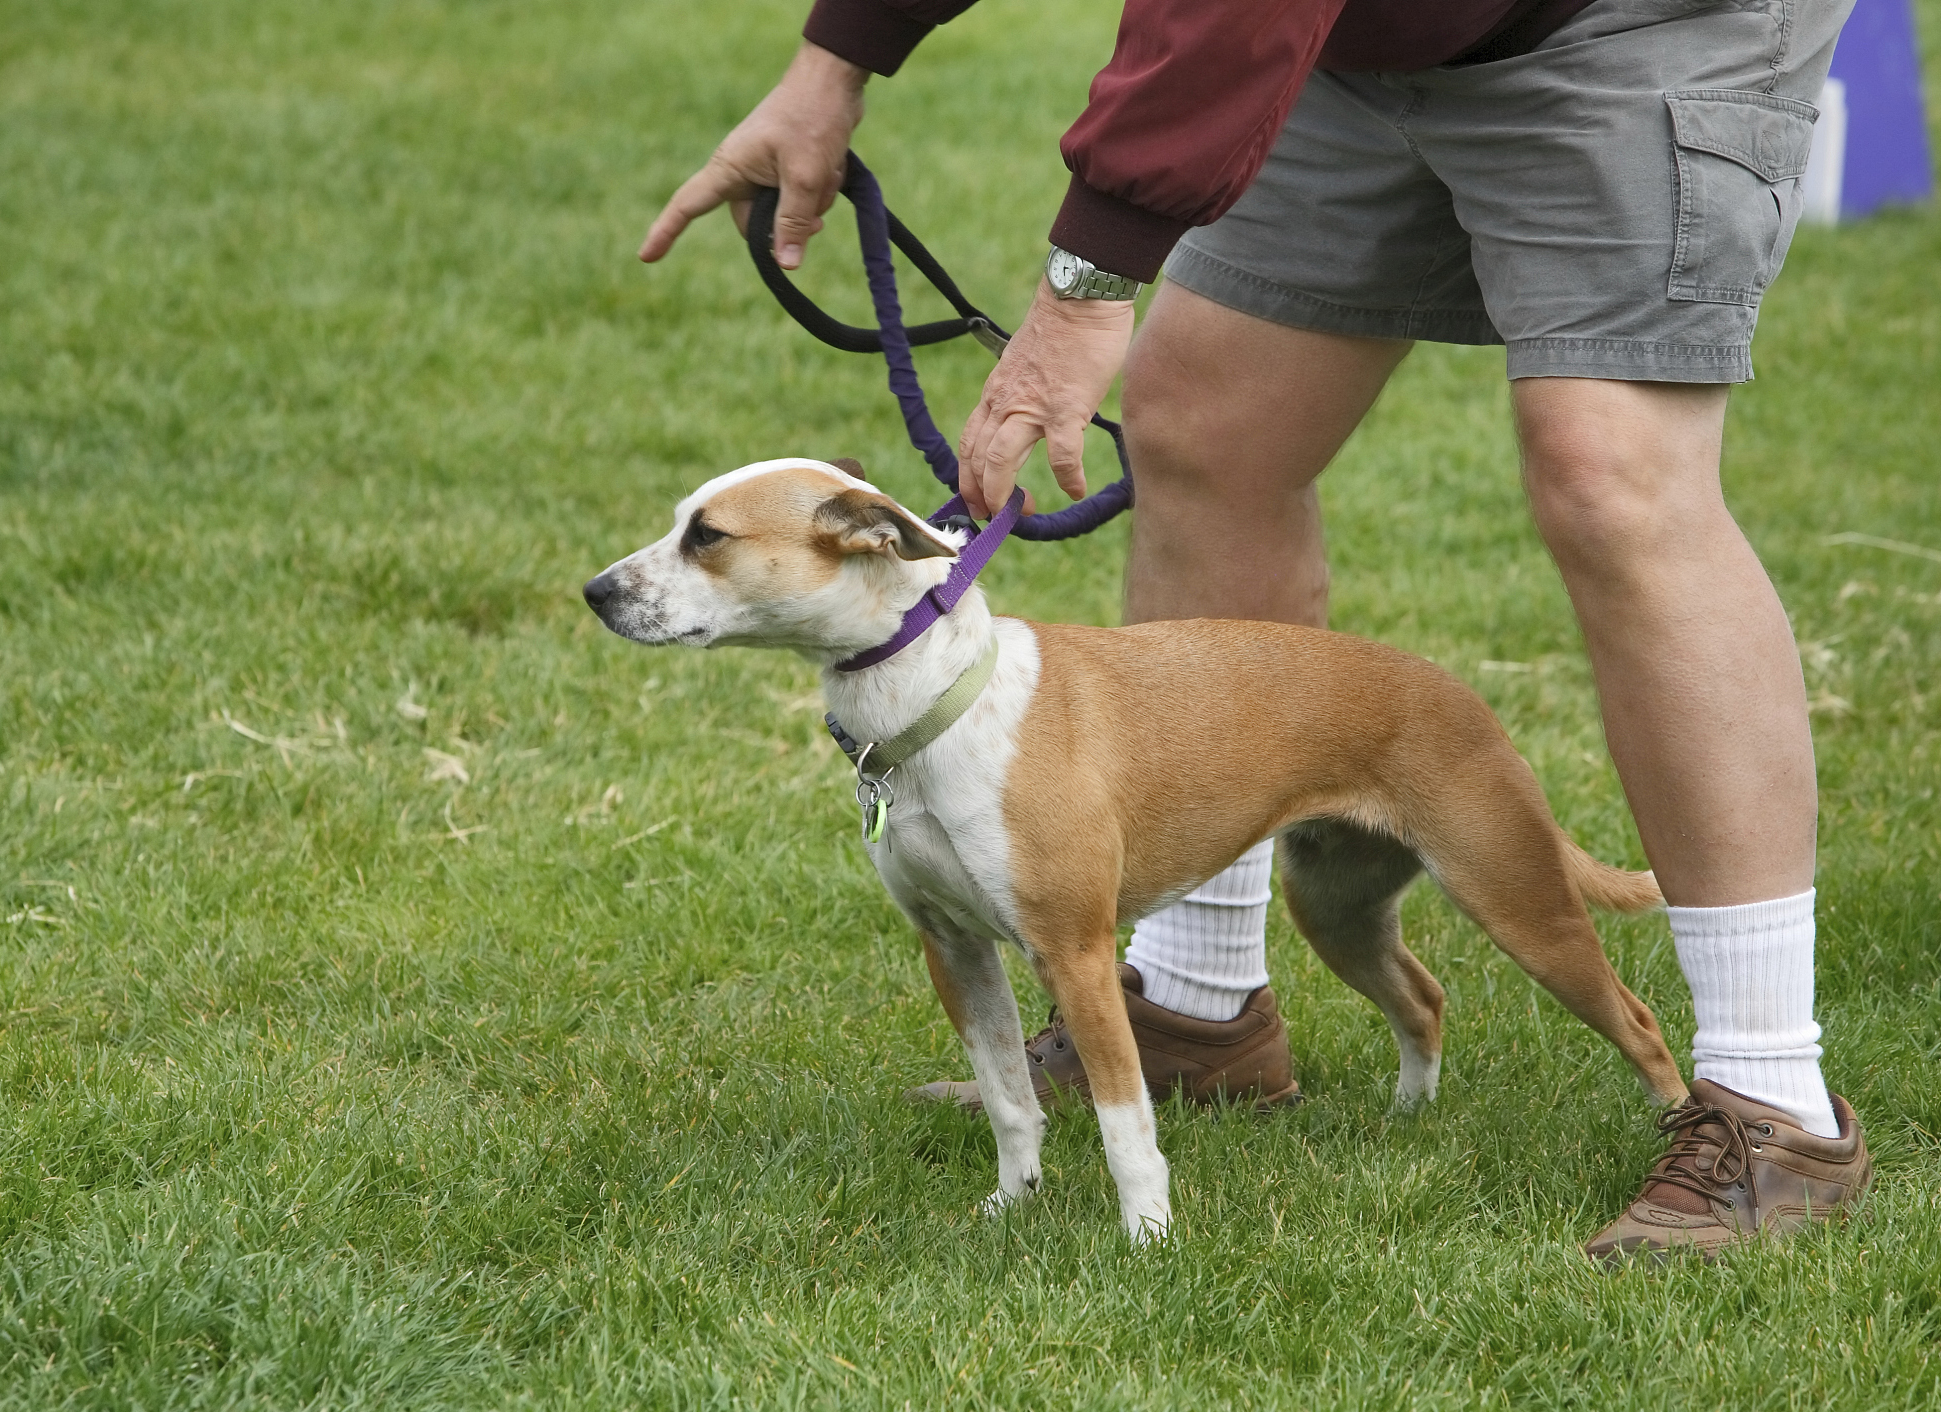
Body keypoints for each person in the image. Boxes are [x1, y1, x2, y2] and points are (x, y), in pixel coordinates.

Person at [639, 0, 1874, 1258]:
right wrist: (836, 56)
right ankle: (1195, 1009)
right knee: (1202, 423)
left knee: (1609, 469)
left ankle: (1771, 1104)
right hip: (1352, 39)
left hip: (1626, 18)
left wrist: (1084, 279)